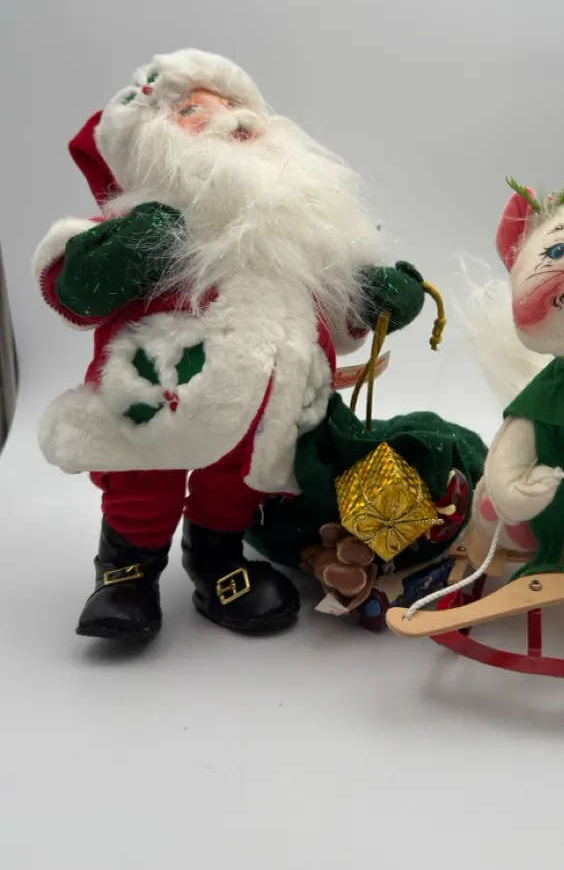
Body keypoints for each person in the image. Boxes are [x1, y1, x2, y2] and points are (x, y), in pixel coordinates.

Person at [34, 49, 426, 643]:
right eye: (196, 109)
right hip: (159, 392)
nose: (229, 117)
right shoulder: (139, 220)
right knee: (143, 481)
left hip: (268, 403)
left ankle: (217, 560)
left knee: (237, 484)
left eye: (234, 104)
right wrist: (123, 250)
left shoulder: (295, 230)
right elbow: (72, 291)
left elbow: (336, 309)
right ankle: (126, 571)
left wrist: (375, 297)